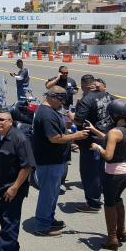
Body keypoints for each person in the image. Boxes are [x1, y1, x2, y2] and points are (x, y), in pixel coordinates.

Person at [32, 86, 88, 236]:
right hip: (49, 161)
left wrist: (68, 129)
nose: (62, 104)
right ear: (52, 98)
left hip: (54, 160)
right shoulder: (47, 114)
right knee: (48, 194)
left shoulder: (51, 111)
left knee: (53, 193)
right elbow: (54, 138)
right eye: (61, 100)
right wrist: (76, 136)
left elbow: (58, 131)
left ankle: (48, 218)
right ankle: (42, 226)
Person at [0, 109, 34, 251]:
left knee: (10, 222)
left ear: (10, 122)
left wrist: (14, 187)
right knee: (4, 220)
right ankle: (10, 248)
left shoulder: (19, 139)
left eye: (3, 120)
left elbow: (27, 166)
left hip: (12, 189)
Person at [86, 100, 126, 251]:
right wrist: (94, 130)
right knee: (117, 198)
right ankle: (122, 232)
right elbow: (111, 139)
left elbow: (108, 155)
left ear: (115, 115)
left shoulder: (114, 132)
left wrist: (97, 147)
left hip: (115, 172)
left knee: (109, 203)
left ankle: (112, 238)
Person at [73, 74, 114, 213]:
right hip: (105, 137)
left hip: (91, 141)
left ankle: (93, 203)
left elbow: (78, 120)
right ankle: (99, 196)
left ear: (85, 86)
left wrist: (71, 116)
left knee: (89, 173)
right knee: (100, 170)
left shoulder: (87, 99)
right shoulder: (107, 95)